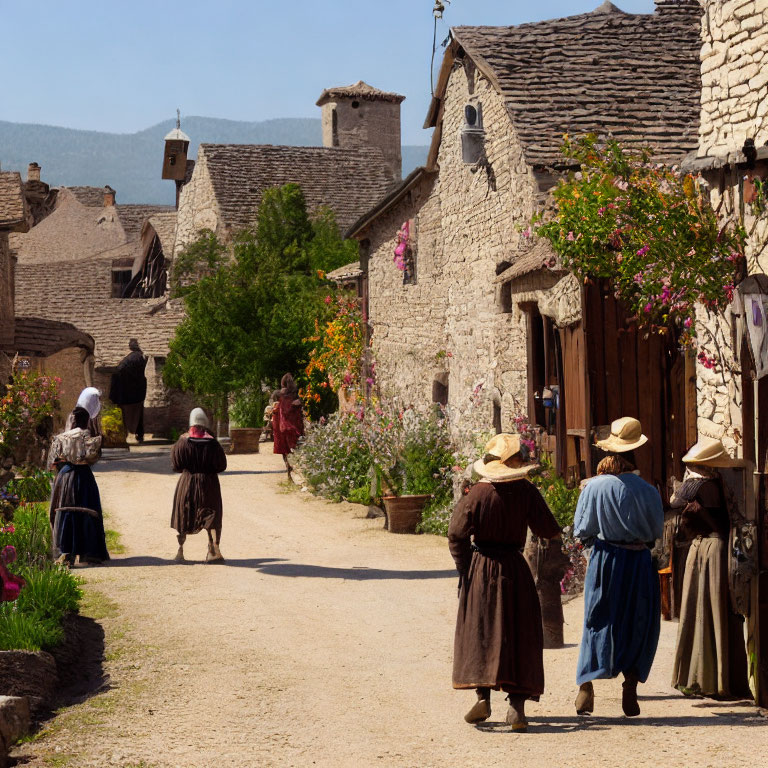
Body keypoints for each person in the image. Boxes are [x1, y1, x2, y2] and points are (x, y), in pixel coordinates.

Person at [448, 433, 562, 731]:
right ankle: (516, 708)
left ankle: (483, 696)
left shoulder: (476, 494)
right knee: (518, 632)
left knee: (482, 630)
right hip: (515, 568)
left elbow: (456, 535)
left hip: (482, 567)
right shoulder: (527, 492)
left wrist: (465, 568)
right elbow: (549, 531)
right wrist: (547, 568)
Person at [573, 417, 663, 717]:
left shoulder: (594, 488)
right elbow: (655, 533)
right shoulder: (649, 491)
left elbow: (582, 530)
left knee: (597, 619)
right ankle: (631, 686)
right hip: (639, 561)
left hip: (605, 559)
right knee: (638, 621)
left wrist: (595, 553)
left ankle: (587, 684)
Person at [670, 437, 750, 699]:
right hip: (711, 547)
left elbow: (674, 501)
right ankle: (713, 678)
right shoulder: (717, 484)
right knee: (708, 611)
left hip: (710, 548)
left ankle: (707, 680)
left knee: (707, 609)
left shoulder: (703, 484)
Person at [49, 390, 109, 566]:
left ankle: (66, 551)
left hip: (65, 477)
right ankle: (88, 552)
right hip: (83, 477)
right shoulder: (92, 439)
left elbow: (52, 462)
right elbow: (93, 458)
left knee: (66, 511)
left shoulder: (60, 439)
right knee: (86, 511)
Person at [171, 408, 227, 563]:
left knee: (185, 513)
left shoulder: (182, 442)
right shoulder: (213, 444)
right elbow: (221, 465)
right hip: (209, 484)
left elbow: (176, 465)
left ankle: (180, 551)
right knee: (212, 514)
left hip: (187, 482)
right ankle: (214, 551)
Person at [109, 338, 147, 443]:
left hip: (126, 392)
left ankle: (127, 434)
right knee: (139, 414)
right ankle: (139, 435)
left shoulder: (129, 359)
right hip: (138, 391)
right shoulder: (141, 358)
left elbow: (119, 370)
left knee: (125, 414)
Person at [272, 374, 304, 482]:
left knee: (284, 450)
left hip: (280, 426)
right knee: (294, 448)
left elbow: (273, 408)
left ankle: (289, 471)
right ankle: (295, 472)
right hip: (294, 425)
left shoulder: (277, 394)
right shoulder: (296, 395)